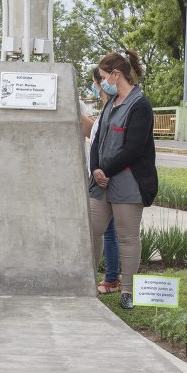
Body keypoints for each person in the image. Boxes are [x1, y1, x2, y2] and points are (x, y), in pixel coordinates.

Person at [88, 50, 158, 311]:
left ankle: (126, 290)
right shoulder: (110, 102)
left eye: (105, 76)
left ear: (117, 75)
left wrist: (105, 170)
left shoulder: (140, 105)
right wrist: (96, 168)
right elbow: (97, 139)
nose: (103, 82)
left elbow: (134, 148)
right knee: (92, 230)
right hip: (100, 182)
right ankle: (87, 283)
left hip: (128, 181)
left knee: (127, 237)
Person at [81, 66, 120, 295]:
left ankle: (112, 279)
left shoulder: (113, 108)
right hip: (97, 177)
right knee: (107, 230)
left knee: (110, 231)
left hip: (105, 178)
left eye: (100, 81)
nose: (98, 86)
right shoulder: (106, 110)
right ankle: (109, 278)